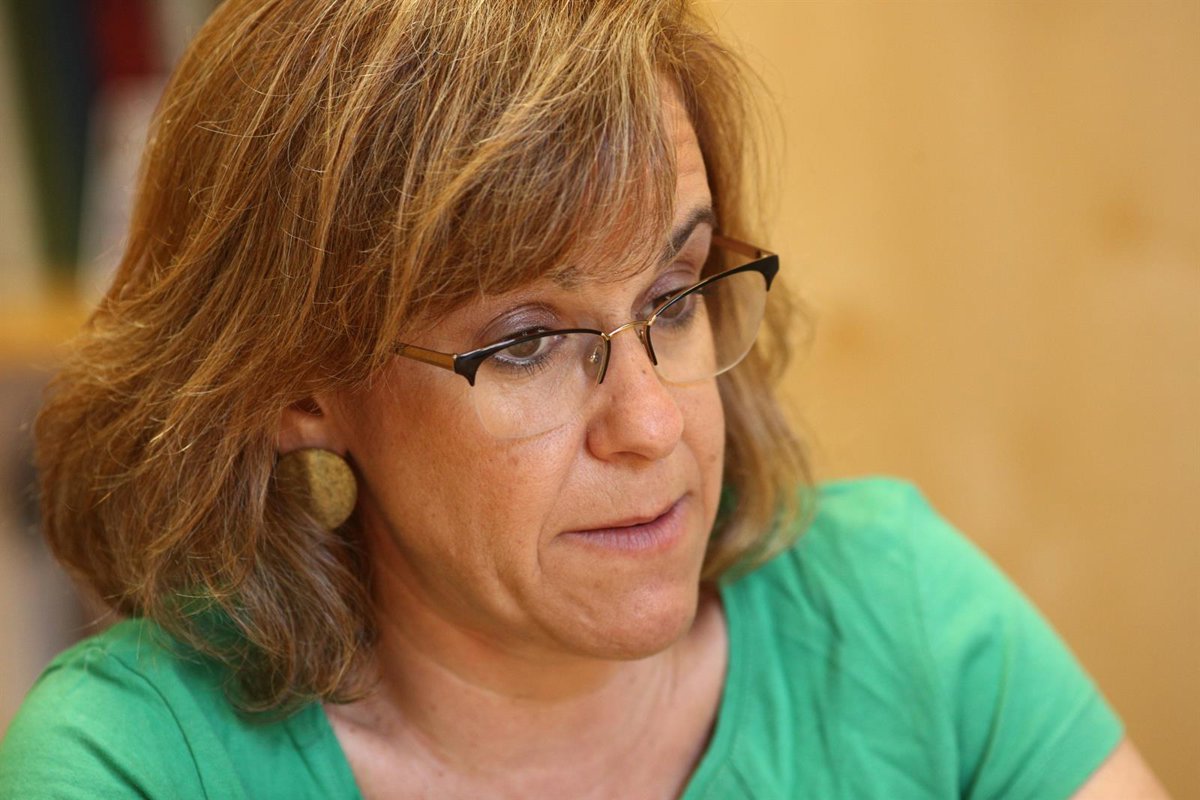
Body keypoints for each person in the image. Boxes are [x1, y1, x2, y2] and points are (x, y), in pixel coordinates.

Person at [0, 1, 1169, 797]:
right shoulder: (140, 759)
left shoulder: (899, 617)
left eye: (673, 294)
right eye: (526, 344)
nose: (654, 424)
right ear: (297, 383)